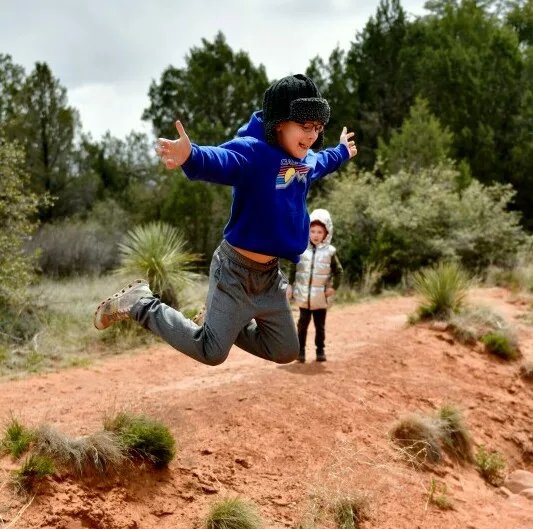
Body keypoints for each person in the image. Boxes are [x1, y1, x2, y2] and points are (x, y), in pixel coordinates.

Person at [93, 73, 357, 366]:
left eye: (318, 128)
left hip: (269, 277)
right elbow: (221, 160)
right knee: (212, 351)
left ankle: (223, 322)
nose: (312, 135)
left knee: (286, 350)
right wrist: (191, 155)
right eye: (305, 126)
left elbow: (323, 161)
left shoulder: (304, 161)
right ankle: (141, 303)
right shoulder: (253, 153)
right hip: (234, 272)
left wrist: (342, 150)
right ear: (279, 123)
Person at [287, 209, 342, 363]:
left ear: (327, 233)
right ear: (307, 231)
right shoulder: (301, 249)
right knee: (302, 326)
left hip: (320, 298)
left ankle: (320, 351)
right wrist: (290, 286)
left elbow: (339, 271)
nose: (316, 235)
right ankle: (300, 352)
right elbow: (293, 268)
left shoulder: (330, 252)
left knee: (320, 327)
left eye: (319, 232)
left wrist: (333, 287)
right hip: (303, 297)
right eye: (312, 231)